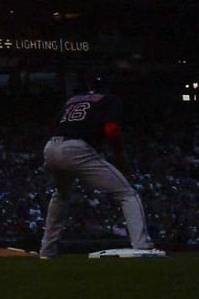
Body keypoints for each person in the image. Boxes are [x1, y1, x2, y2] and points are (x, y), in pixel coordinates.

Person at [38, 75, 164, 258]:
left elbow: (55, 125)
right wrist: (120, 155)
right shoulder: (109, 99)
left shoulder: (72, 100)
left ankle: (46, 251)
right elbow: (112, 129)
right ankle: (143, 245)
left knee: (61, 195)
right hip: (77, 149)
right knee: (127, 193)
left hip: (51, 147)